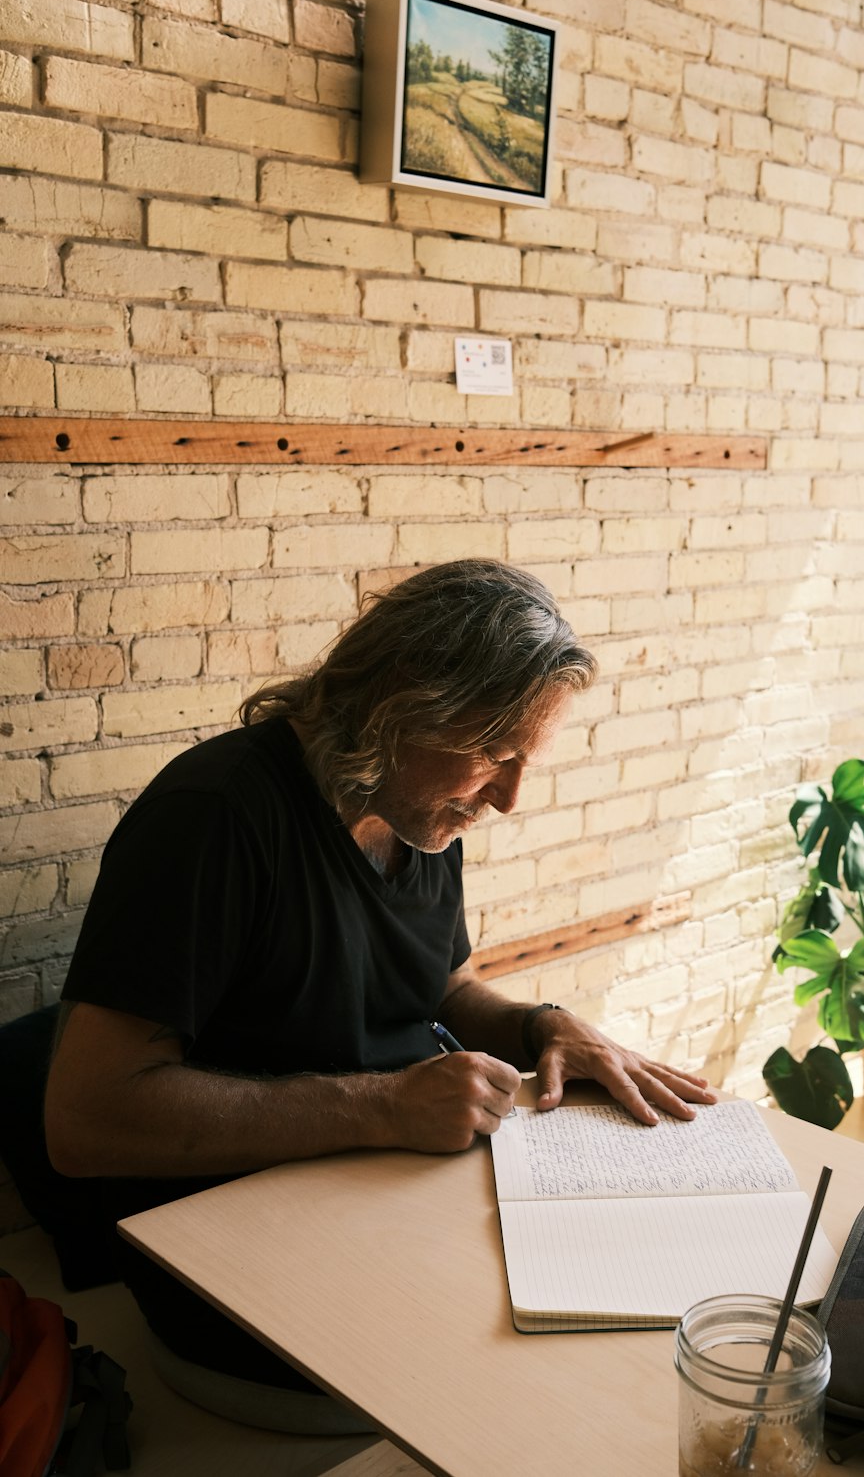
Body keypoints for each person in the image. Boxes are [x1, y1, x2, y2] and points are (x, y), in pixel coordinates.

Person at [44, 558, 714, 1410]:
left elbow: (440, 986)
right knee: (551, 1376)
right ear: (401, 703)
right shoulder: (215, 817)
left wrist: (542, 1026)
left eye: (523, 763)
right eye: (493, 756)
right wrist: (383, 1106)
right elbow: (84, 1117)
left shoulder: (423, 809)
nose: (507, 799)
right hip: (231, 1253)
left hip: (384, 1191)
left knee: (635, 1285)